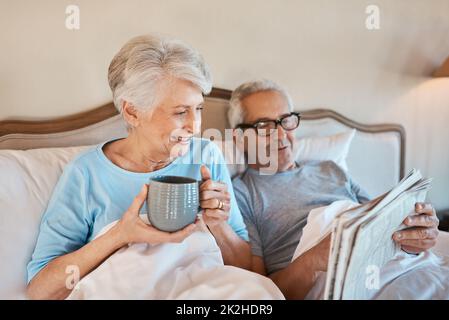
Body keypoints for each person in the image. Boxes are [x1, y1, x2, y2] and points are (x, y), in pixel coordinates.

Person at [26, 35, 251, 300]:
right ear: (132, 112)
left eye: (198, 108)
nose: (195, 125)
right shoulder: (86, 174)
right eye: (180, 112)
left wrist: (219, 224)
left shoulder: (206, 156)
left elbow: (246, 269)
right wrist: (119, 236)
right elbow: (40, 291)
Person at [230, 79, 440, 299]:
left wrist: (412, 236)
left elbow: (378, 221)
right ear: (239, 138)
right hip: (332, 280)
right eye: (264, 126)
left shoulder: (330, 168)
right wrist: (314, 259)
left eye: (286, 121)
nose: (281, 135)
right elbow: (258, 292)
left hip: (387, 264)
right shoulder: (242, 193)